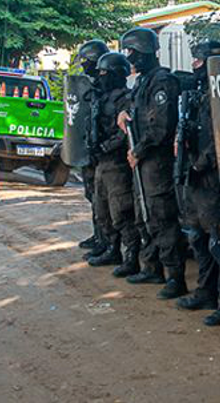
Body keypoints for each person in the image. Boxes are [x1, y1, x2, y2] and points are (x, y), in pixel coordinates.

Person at [176, 40, 220, 326]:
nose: (195, 66)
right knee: (198, 237)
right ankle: (206, 291)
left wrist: (199, 163)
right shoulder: (200, 94)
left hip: (215, 178)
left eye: (199, 60)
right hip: (196, 177)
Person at [117, 27, 187, 299]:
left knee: (160, 216)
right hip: (142, 159)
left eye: (134, 52)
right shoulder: (143, 81)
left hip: (155, 160)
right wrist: (124, 112)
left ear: (147, 51)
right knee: (141, 213)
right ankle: (152, 266)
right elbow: (135, 112)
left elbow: (161, 127)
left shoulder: (163, 81)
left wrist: (139, 150)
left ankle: (175, 276)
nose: (131, 58)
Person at [86, 52, 141, 276]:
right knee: (102, 210)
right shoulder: (103, 96)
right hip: (101, 162)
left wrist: (107, 147)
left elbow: (125, 131)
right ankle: (112, 248)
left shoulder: (125, 98)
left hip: (117, 162)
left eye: (105, 72)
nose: (101, 76)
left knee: (121, 212)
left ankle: (132, 257)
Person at [74, 39, 110, 256]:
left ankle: (106, 239)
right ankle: (98, 234)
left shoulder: (106, 86)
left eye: (86, 60)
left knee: (102, 199)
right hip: (89, 149)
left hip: (103, 152)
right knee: (92, 195)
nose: (83, 65)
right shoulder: (89, 86)